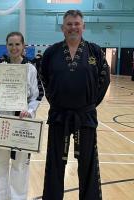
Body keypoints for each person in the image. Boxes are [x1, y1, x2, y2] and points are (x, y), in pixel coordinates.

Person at [40, 10, 110, 200]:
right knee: (55, 162)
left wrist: (91, 103)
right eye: (69, 24)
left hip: (85, 115)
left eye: (77, 24)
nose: (73, 27)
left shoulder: (95, 51)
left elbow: (104, 78)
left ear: (83, 26)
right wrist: (54, 100)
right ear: (63, 28)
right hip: (58, 115)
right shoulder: (51, 52)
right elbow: (44, 78)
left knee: (88, 163)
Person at [0, 32, 41, 200]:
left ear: (23, 46)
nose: (14, 48)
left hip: (22, 122)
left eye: (17, 44)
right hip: (1, 121)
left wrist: (30, 111)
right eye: (10, 44)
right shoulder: (0, 67)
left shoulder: (31, 68)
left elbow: (37, 95)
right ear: (6, 46)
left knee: (20, 167)